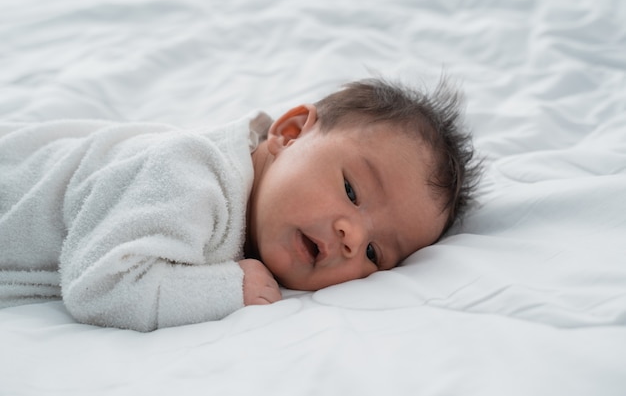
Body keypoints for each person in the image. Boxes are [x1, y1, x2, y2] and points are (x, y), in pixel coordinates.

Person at [0, 77, 480, 331]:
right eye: (352, 191)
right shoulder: (190, 175)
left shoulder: (257, 211)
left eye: (376, 254)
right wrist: (227, 289)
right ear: (290, 134)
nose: (352, 237)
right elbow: (101, 286)